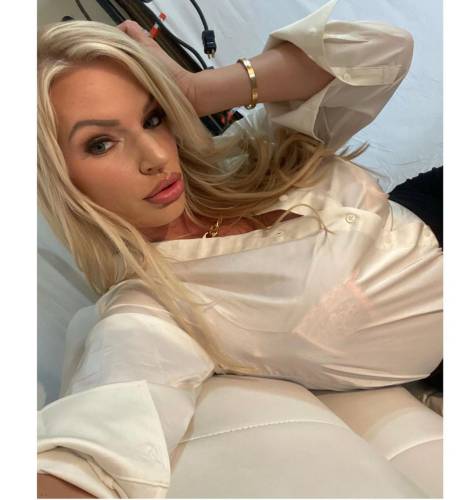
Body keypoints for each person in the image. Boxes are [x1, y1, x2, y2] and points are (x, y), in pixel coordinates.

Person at [37, 0, 442, 497]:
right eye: (100, 143)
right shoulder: (157, 307)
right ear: (58, 178)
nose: (155, 156)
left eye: (153, 118)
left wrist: (194, 90)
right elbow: (93, 452)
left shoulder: (244, 153)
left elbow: (381, 50)